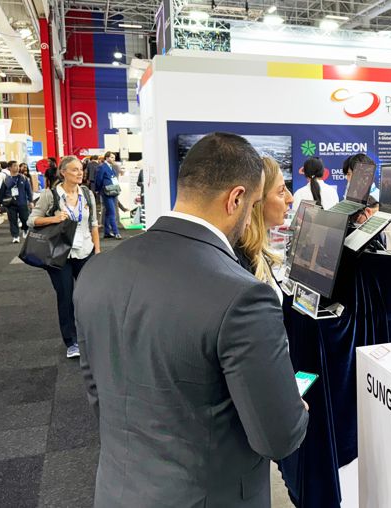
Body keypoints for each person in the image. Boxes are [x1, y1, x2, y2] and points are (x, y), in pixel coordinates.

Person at [73, 132, 309, 507]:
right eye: (252, 204)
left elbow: (100, 393)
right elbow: (278, 438)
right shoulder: (242, 296)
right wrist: (294, 410)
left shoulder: (97, 271)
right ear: (235, 199)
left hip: (116, 491)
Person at [29, 156, 100, 358]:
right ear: (63, 172)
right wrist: (53, 218)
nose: (80, 173)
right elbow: (32, 220)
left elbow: (93, 224)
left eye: (81, 169)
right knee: (66, 297)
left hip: (84, 251)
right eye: (74, 169)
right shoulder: (50, 195)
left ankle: (92, 334)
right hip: (59, 254)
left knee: (90, 295)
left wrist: (97, 251)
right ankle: (72, 341)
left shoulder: (87, 193)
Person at [237, 157, 294, 301]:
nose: (290, 199)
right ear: (257, 200)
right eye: (281, 192)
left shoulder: (254, 252)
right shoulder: (242, 261)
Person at [0, 161, 33, 243]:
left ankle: (25, 229)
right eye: (14, 166)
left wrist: (31, 201)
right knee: (12, 220)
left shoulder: (23, 178)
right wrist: (0, 203)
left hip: (22, 202)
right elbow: (2, 191)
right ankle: (15, 236)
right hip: (10, 203)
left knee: (25, 218)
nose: (17, 167)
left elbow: (28, 190)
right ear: (9, 168)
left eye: (17, 166)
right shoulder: (6, 179)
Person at [94, 151, 121, 239]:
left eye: (114, 158)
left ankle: (107, 232)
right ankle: (116, 232)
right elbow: (98, 179)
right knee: (112, 212)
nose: (113, 159)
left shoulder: (111, 167)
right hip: (106, 192)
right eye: (112, 157)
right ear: (107, 157)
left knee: (108, 212)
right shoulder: (102, 167)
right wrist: (98, 190)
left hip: (113, 191)